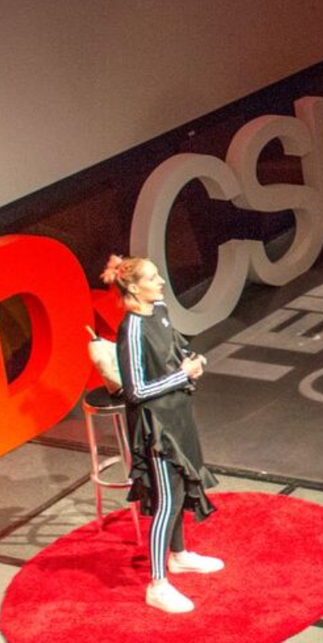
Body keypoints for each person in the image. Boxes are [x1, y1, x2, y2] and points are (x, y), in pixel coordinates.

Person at [101, 255, 224, 614]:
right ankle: (157, 585)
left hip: (178, 414)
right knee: (167, 500)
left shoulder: (159, 310)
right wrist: (181, 375)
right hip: (156, 426)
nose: (162, 282)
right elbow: (135, 390)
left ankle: (180, 556)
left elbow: (177, 348)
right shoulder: (132, 329)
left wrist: (194, 360)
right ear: (135, 287)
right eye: (154, 278)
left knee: (184, 486)